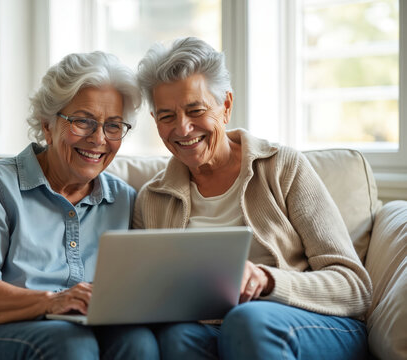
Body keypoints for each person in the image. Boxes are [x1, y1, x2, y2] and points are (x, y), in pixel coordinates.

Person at [134, 37, 373, 360]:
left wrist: (267, 280)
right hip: (212, 324)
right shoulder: (152, 198)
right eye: (166, 117)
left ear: (226, 106)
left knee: (247, 320)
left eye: (196, 110)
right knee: (177, 338)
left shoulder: (281, 167)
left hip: (312, 323)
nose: (183, 128)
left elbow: (354, 287)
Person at [0, 51, 158, 360]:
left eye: (113, 126)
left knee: (138, 342)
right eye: (83, 121)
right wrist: (51, 301)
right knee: (70, 344)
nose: (98, 139)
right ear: (47, 124)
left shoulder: (122, 199)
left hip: (68, 332)